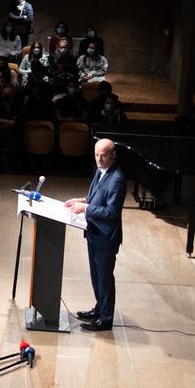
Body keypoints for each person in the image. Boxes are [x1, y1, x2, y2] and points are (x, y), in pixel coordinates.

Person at [66, 139, 125, 331]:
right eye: (96, 155)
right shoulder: (101, 171)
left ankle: (105, 319)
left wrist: (85, 208)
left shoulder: (117, 179)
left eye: (104, 155)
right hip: (94, 233)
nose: (99, 159)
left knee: (104, 279)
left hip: (106, 238)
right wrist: (83, 200)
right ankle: (99, 309)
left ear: (113, 155)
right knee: (96, 276)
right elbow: (98, 197)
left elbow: (112, 212)